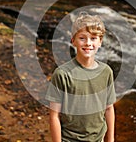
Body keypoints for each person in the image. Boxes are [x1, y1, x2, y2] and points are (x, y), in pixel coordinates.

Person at [46, 12, 116, 142]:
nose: (88, 43)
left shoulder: (106, 72)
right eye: (82, 38)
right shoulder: (62, 74)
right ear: (73, 41)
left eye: (93, 38)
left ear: (100, 42)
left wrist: (110, 140)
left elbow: (109, 108)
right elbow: (54, 115)